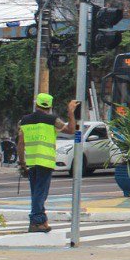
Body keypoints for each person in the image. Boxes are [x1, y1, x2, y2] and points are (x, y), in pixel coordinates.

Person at [17, 93, 78, 233]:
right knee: (41, 193)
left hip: (31, 162)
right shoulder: (52, 120)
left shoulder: (24, 121)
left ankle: (42, 220)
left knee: (36, 192)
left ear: (36, 104)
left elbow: (20, 143)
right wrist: (70, 112)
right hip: (45, 161)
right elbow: (71, 130)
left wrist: (22, 163)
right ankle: (36, 221)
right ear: (50, 107)